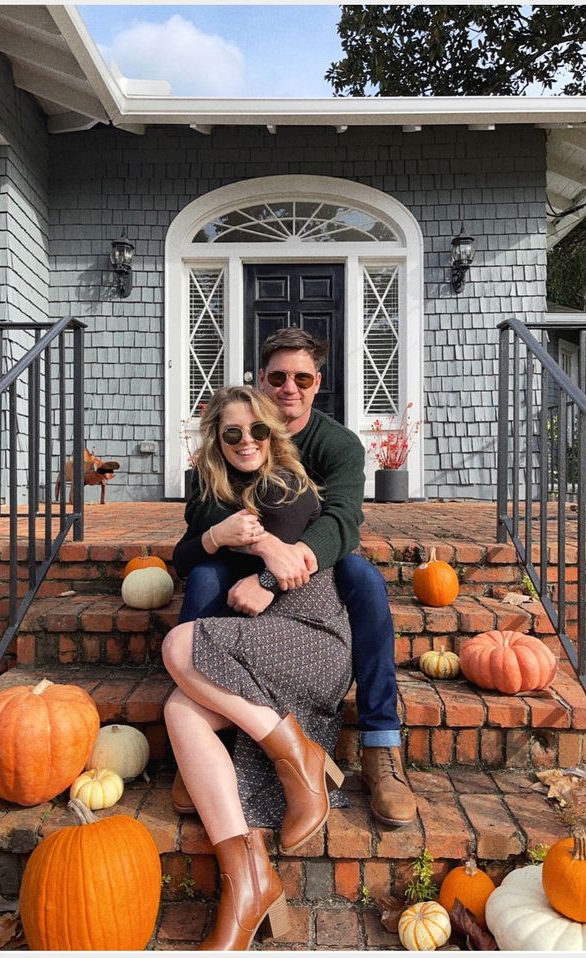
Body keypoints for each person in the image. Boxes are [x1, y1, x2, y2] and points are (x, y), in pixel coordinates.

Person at [176, 328, 417, 826]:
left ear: (317, 383)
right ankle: (203, 734)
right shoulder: (231, 433)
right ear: (261, 381)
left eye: (302, 378)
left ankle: (380, 743)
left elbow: (342, 519)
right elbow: (200, 515)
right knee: (203, 578)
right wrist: (254, 544)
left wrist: (280, 567)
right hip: (242, 559)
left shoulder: (337, 444)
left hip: (315, 561)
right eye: (279, 377)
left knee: (365, 581)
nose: (290, 387)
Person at [163, 385, 352, 951]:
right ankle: (248, 879)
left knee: (179, 646)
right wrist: (215, 536)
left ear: (273, 433)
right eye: (233, 433)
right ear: (216, 441)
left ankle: (301, 758)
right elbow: (185, 554)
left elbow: (287, 543)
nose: (247, 441)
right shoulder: (214, 493)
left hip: (311, 640)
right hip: (260, 646)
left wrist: (261, 556)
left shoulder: (288, 483)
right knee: (180, 709)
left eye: (258, 430)